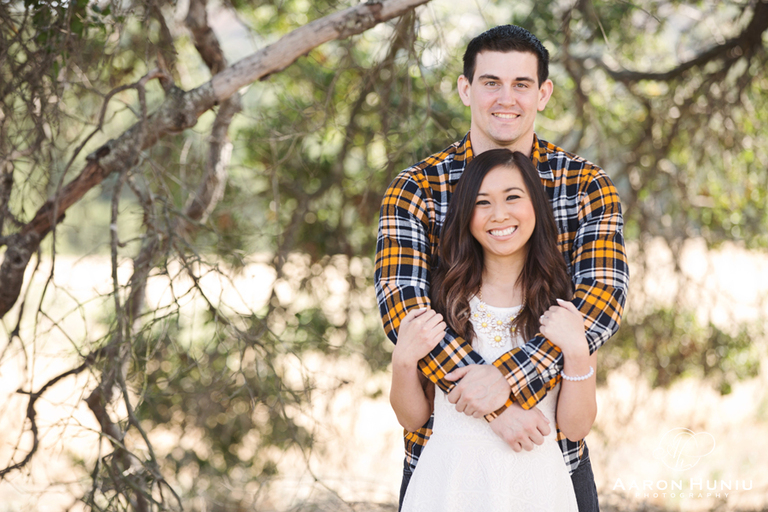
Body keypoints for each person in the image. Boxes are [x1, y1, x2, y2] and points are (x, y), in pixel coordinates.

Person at [374, 24, 629, 511]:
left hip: (549, 452)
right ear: (465, 88)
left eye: (521, 84)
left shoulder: (585, 186)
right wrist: (496, 407)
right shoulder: (417, 188)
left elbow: (600, 303)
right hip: (441, 458)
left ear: (544, 93)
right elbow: (401, 303)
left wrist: (506, 382)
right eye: (490, 82)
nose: (505, 98)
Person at [390, 149, 597, 511]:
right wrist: (403, 363)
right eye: (482, 202)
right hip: (449, 484)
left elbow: (576, 428)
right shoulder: (443, 298)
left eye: (513, 197)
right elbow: (414, 418)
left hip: (535, 484)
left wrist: (578, 352)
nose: (499, 214)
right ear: (465, 216)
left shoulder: (562, 302)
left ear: (536, 205)